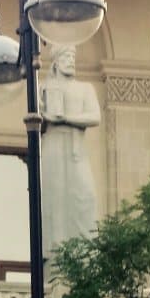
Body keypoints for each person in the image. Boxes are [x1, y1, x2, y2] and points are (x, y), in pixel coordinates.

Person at [40, 44, 101, 259]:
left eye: (73, 56)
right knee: (53, 196)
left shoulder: (85, 88)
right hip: (54, 145)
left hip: (76, 147)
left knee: (86, 196)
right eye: (66, 56)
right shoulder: (43, 87)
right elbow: (35, 121)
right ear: (55, 61)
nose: (71, 60)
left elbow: (95, 117)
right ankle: (55, 252)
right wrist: (44, 113)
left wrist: (66, 118)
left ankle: (86, 251)